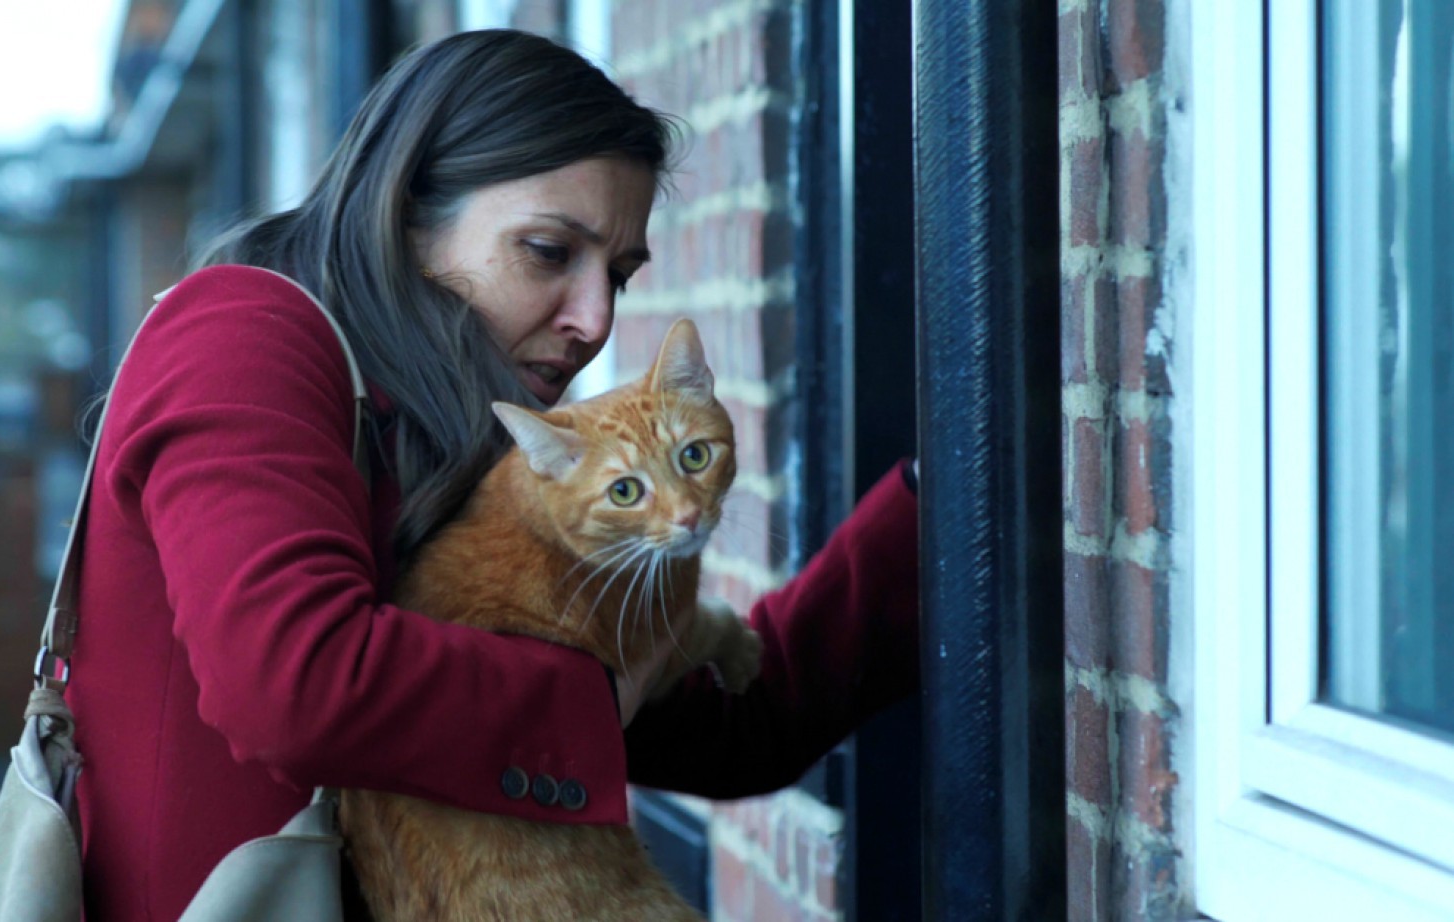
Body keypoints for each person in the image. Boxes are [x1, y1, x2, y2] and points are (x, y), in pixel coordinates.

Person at [66, 28, 919, 921]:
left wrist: (946, 505)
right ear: (406, 212)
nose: (593, 319)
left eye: (619, 275)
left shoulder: (461, 446)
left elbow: (731, 727)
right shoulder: (243, 334)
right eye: (549, 252)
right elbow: (293, 687)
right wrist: (598, 695)